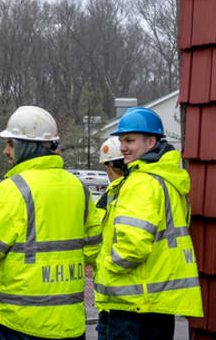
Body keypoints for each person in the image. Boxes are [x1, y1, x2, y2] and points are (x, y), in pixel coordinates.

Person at [0, 106, 101, 340]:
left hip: (19, 324)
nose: (5, 151)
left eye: (10, 144)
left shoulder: (10, 191)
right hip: (70, 324)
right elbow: (93, 249)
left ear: (27, 146)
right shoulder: (79, 188)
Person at [96, 107, 203, 339]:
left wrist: (107, 266)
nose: (123, 147)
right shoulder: (167, 180)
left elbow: (132, 247)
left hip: (133, 302)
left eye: (130, 141)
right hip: (158, 302)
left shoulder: (141, 183)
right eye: (122, 141)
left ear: (151, 142)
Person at [93, 137, 126, 340]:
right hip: (119, 299)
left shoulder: (118, 195)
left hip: (118, 300)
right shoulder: (115, 195)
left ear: (108, 167)